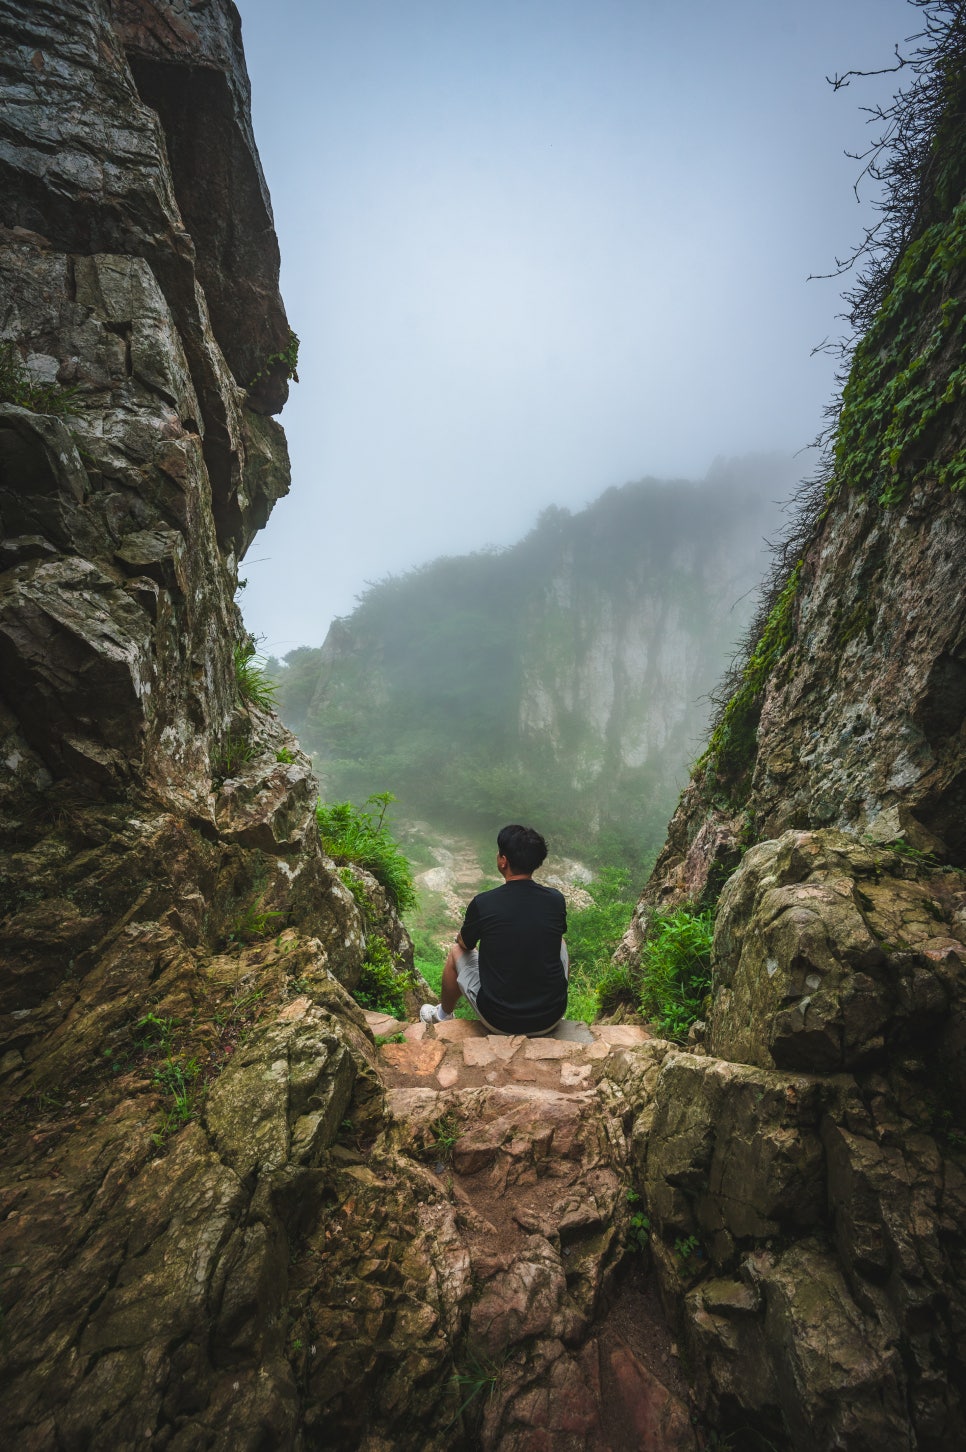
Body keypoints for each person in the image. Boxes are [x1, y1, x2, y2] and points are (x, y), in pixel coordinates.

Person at [420, 823, 568, 1035]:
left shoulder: (484, 903)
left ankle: (442, 1015)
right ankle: (554, 1006)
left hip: (499, 1020)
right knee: (560, 942)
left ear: (503, 861)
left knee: (456, 952)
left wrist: (464, 935)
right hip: (549, 1018)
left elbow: (465, 944)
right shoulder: (555, 900)